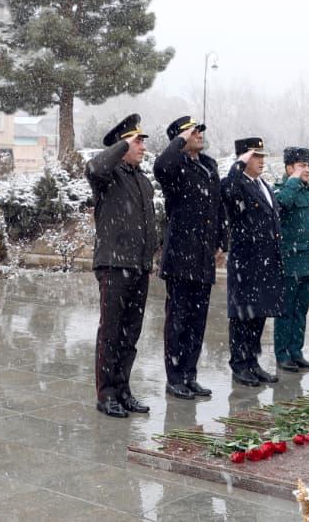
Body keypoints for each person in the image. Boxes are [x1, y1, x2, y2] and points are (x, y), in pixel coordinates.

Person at [85, 113, 159, 418]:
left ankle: (123, 389)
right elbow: (94, 167)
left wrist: (149, 258)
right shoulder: (108, 175)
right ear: (123, 144)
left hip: (139, 266)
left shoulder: (141, 179)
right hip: (114, 266)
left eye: (141, 142)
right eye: (137, 141)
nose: (143, 147)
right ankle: (106, 395)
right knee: (111, 332)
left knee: (131, 335)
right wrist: (122, 145)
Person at [153, 115, 227, 400]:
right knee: (178, 320)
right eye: (192, 132)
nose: (198, 134)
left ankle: (189, 375)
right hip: (181, 255)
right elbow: (161, 166)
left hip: (204, 255)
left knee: (197, 321)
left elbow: (218, 207)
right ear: (179, 138)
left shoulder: (208, 165)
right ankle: (175, 378)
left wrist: (222, 242)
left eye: (199, 130)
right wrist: (179, 141)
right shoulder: (174, 166)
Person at [221, 137, 286, 387]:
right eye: (255, 156)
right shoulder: (236, 182)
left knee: (258, 315)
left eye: (262, 156)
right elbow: (228, 191)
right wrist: (238, 165)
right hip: (246, 263)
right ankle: (240, 365)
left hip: (266, 262)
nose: (261, 160)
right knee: (242, 317)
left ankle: (252, 362)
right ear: (243, 158)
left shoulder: (262, 185)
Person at [273, 147, 309, 372]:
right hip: (290, 261)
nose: (307, 169)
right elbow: (281, 205)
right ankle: (282, 354)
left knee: (301, 311)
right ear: (289, 168)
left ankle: (296, 351)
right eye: (302, 165)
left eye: (307, 165)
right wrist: (293, 182)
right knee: (286, 310)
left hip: (308, 261)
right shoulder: (281, 189)